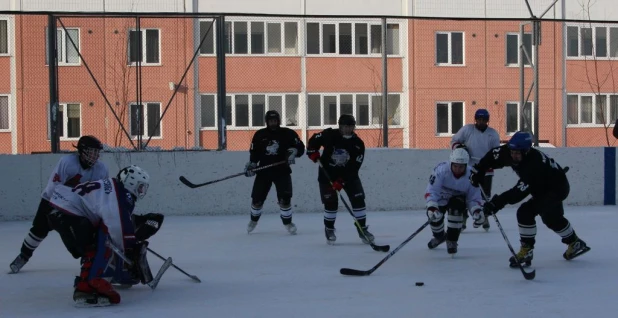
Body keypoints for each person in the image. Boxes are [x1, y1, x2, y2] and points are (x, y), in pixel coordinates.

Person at [47, 165, 163, 307]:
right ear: (131, 182)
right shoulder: (120, 195)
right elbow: (116, 225)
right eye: (140, 187)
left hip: (62, 213)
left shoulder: (113, 188)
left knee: (100, 239)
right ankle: (88, 287)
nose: (141, 191)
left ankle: (111, 274)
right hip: (69, 214)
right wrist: (131, 248)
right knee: (101, 239)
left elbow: (117, 219)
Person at [473, 131, 590, 267]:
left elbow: (518, 193)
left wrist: (495, 203)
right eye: (512, 151)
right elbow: (492, 156)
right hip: (543, 186)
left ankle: (527, 250)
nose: (514, 155)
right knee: (552, 219)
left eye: (518, 153)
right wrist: (479, 171)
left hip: (556, 189)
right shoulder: (510, 150)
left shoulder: (534, 165)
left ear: (526, 151)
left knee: (525, 212)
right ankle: (574, 242)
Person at [9, 135, 109, 274]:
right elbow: (54, 187)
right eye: (92, 152)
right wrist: (53, 206)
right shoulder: (68, 162)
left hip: (79, 208)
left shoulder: (101, 169)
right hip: (52, 201)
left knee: (84, 234)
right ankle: (24, 256)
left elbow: (101, 193)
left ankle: (89, 259)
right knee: (38, 230)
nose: (95, 156)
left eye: (97, 152)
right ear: (82, 151)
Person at [306, 114, 374, 245]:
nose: (348, 129)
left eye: (351, 126)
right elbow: (314, 140)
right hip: (328, 175)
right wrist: (312, 151)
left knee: (358, 200)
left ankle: (362, 229)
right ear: (340, 126)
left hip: (348, 176)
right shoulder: (329, 135)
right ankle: (329, 229)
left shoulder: (358, 144)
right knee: (331, 203)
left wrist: (342, 180)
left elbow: (355, 166)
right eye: (345, 126)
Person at [245, 110, 305, 234]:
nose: (273, 123)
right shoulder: (259, 134)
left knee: (285, 200)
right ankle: (253, 220)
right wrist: (252, 165)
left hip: (282, 171)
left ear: (279, 121)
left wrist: (295, 152)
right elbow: (254, 153)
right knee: (257, 200)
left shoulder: (288, 133)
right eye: (270, 121)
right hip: (264, 172)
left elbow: (301, 148)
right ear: (266, 122)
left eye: (275, 120)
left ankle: (288, 223)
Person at [425, 148, 484, 256]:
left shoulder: (472, 176)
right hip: (441, 197)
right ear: (451, 163)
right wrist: (432, 206)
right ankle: (439, 236)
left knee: (456, 210)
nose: (457, 169)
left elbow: (473, 198)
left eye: (461, 167)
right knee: (434, 217)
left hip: (458, 198)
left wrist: (476, 211)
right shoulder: (441, 170)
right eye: (455, 166)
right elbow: (432, 190)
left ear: (466, 165)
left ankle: (452, 240)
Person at [451, 108, 500, 231]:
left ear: (487, 121)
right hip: (468, 168)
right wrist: (460, 148)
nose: (481, 122)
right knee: (464, 193)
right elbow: (454, 141)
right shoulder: (467, 129)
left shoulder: (492, 134)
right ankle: (464, 216)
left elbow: (496, 152)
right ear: (475, 119)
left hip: (486, 170)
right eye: (479, 119)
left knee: (485, 196)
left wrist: (491, 161)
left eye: (484, 120)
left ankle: (484, 216)